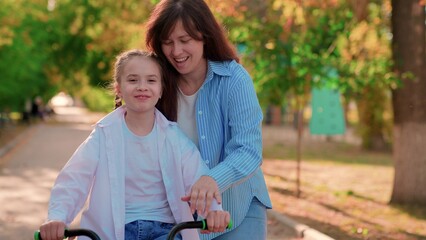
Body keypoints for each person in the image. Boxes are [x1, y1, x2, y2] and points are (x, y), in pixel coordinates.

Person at [38, 49, 230, 240]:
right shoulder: (104, 134)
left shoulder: (173, 137)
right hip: (115, 230)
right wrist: (58, 218)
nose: (142, 86)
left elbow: (198, 178)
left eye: (151, 80)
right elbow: (74, 179)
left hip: (165, 231)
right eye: (132, 80)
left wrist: (213, 211)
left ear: (161, 89)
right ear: (118, 89)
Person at [145, 1, 273, 239]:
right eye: (168, 42)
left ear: (204, 36)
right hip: (181, 213)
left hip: (238, 205)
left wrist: (212, 180)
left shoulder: (234, 79)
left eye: (185, 40)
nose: (176, 51)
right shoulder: (155, 83)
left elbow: (249, 150)